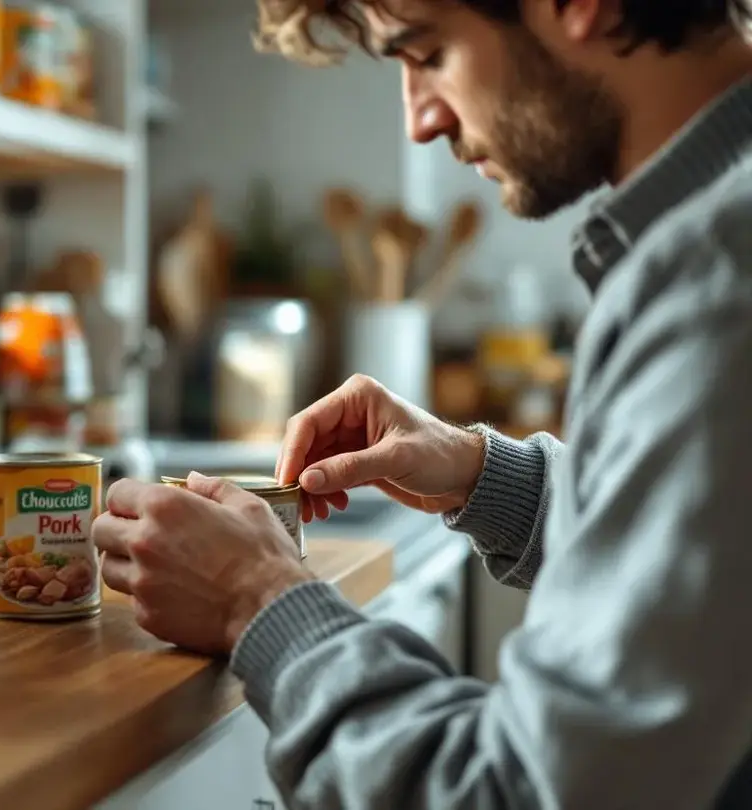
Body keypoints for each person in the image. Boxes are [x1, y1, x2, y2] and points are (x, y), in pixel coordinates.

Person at [91, 0, 752, 807]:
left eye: (428, 54)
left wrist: (255, 597)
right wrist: (488, 477)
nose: (419, 120)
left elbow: (516, 793)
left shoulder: (715, 282)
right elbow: (711, 559)